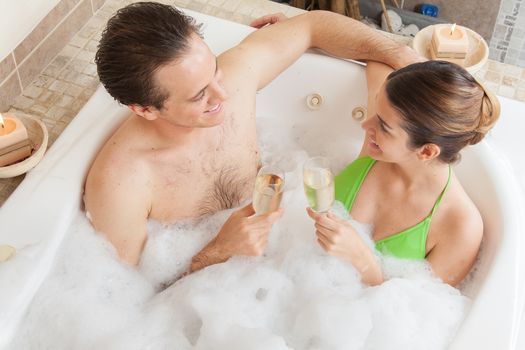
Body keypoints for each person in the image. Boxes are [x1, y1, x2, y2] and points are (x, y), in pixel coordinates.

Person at [84, 2, 421, 270]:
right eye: (200, 95)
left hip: (292, 253)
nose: (223, 94)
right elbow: (132, 299)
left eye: (215, 70)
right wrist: (217, 252)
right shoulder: (120, 185)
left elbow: (311, 27)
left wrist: (404, 59)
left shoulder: (233, 79)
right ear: (145, 110)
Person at [307, 60, 500, 286]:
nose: (366, 125)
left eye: (383, 126)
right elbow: (376, 57)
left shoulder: (459, 227)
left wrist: (363, 260)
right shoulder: (382, 144)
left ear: (426, 151)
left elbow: (416, 313)